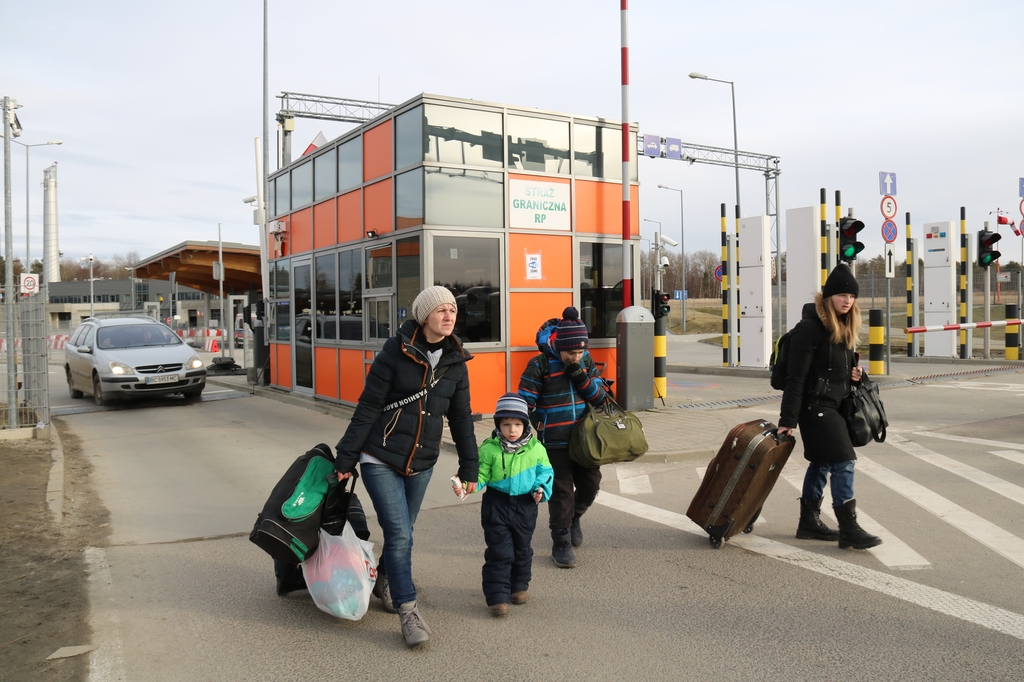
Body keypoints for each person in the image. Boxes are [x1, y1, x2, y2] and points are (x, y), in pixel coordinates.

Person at [334, 285, 479, 649]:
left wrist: (469, 467)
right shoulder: (394, 353)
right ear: (424, 316)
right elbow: (368, 407)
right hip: (380, 457)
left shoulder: (456, 361)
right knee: (400, 534)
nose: (449, 316)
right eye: (441, 310)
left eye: (452, 310)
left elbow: (461, 419)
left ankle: (385, 578)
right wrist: (346, 457)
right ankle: (407, 609)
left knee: (404, 531)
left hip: (422, 461)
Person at [777, 264, 881, 551]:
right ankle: (849, 527)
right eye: (841, 295)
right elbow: (795, 378)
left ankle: (808, 522)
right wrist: (788, 419)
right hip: (814, 409)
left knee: (822, 462)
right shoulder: (809, 330)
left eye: (851, 296)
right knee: (843, 461)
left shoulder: (845, 327)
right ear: (827, 297)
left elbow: (834, 370)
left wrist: (854, 375)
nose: (847, 300)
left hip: (833, 406)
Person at [518, 306, 607, 568]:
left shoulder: (585, 361)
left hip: (585, 438)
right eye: (571, 353)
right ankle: (561, 541)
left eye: (580, 352)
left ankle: (575, 516)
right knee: (561, 492)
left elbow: (599, 397)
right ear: (558, 346)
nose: (576, 357)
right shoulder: (540, 365)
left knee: (591, 485)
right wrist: (518, 430)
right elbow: (525, 402)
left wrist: (580, 376)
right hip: (554, 441)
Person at [471, 392, 553, 617]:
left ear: (525, 424)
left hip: (526, 505)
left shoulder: (536, 448)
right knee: (500, 551)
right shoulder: (490, 448)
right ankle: (498, 596)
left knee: (521, 549)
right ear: (499, 424)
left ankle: (519, 586)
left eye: (517, 424)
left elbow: (545, 472)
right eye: (506, 424)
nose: (512, 429)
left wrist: (541, 490)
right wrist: (468, 484)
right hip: (496, 504)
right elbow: (481, 475)